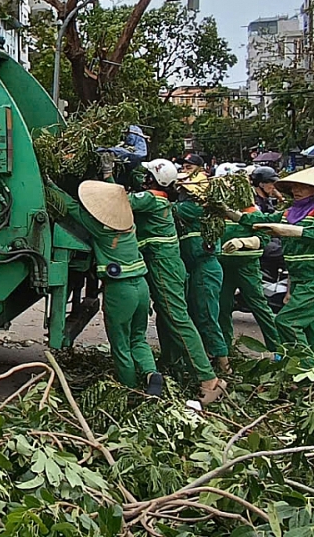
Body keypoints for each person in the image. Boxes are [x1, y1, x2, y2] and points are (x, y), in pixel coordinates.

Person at [110, 157, 225, 403]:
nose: (142, 178)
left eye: (146, 175)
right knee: (167, 317)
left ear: (153, 179)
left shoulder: (151, 198)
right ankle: (173, 365)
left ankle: (209, 379)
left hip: (164, 265)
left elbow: (117, 202)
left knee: (177, 318)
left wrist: (107, 178)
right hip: (168, 264)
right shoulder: (161, 200)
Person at [47, 180, 162, 394]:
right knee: (137, 338)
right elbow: (115, 199)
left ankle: (129, 390)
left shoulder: (101, 230)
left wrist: (51, 186)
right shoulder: (130, 224)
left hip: (120, 291)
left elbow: (72, 207)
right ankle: (150, 373)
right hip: (141, 288)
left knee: (120, 345)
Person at [232, 167, 314, 367]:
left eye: (303, 187)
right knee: (309, 328)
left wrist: (289, 231)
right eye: (294, 187)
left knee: (287, 321)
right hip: (299, 278)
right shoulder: (291, 213)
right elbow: (259, 220)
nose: (296, 190)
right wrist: (228, 212)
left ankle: (302, 368)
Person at [214, 170, 282, 354]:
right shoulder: (218, 213)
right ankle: (225, 351)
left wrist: (243, 242)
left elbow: (263, 237)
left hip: (247, 267)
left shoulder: (252, 211)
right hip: (223, 267)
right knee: (222, 309)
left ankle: (278, 351)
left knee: (260, 307)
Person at [175, 181, 230, 373]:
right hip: (199, 269)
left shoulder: (192, 209)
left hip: (205, 269)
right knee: (198, 314)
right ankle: (209, 357)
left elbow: (168, 208)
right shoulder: (200, 212)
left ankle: (224, 366)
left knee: (206, 315)